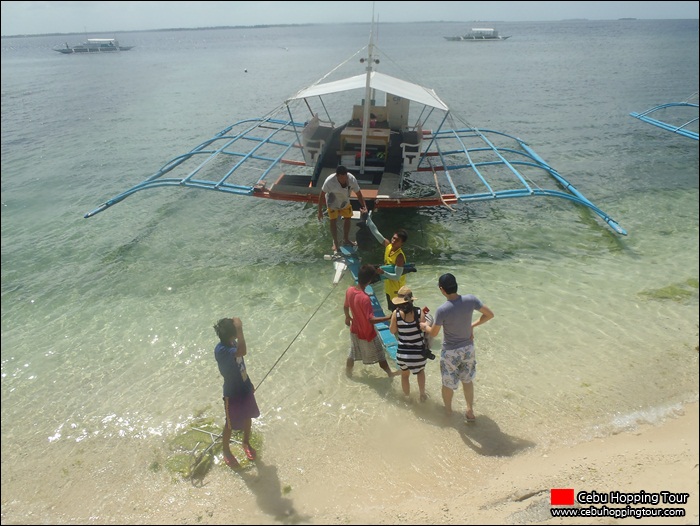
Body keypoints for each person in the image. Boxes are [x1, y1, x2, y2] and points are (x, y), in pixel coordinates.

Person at [421, 273, 494, 422]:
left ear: (442, 289)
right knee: (467, 380)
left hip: (450, 352)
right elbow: (489, 314)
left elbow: (434, 333)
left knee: (448, 384)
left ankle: (448, 412)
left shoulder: (443, 309)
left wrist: (425, 326)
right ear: (456, 285)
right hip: (468, 348)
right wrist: (472, 326)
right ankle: (470, 411)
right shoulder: (470, 300)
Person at [214, 317, 260, 468]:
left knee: (248, 415)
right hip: (232, 393)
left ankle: (245, 442)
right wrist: (240, 329)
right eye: (236, 332)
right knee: (230, 423)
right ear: (232, 334)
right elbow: (243, 351)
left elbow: (241, 366)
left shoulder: (232, 344)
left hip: (244, 387)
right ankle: (226, 450)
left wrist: (249, 382)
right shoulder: (221, 350)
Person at [344, 264, 401, 378]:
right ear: (369, 281)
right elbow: (370, 320)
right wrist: (389, 317)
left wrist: (347, 317)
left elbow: (345, 306)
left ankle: (348, 372)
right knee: (380, 354)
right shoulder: (365, 298)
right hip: (367, 332)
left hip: (354, 329)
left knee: (353, 352)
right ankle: (390, 373)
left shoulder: (349, 290)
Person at [389, 286, 429, 402]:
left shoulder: (395, 314)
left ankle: (407, 398)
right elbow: (424, 329)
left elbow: (392, 331)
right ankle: (422, 395)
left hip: (402, 354)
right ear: (412, 300)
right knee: (420, 372)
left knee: (405, 376)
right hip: (418, 354)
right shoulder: (418, 312)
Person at [318, 165, 368, 252]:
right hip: (332, 202)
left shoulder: (351, 179)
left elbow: (359, 194)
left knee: (348, 218)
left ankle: (346, 239)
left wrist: (365, 207)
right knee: (333, 220)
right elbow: (321, 195)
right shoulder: (329, 181)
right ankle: (336, 242)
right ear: (337, 176)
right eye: (342, 178)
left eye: (345, 178)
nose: (344, 180)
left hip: (344, 201)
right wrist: (320, 211)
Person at [365, 212, 409, 311]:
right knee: (391, 310)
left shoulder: (399, 257)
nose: (393, 241)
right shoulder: (388, 246)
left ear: (402, 243)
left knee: (398, 312)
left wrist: (383, 272)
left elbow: (397, 277)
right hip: (388, 287)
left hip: (397, 289)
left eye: (397, 240)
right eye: (393, 238)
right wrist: (367, 218)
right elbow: (376, 232)